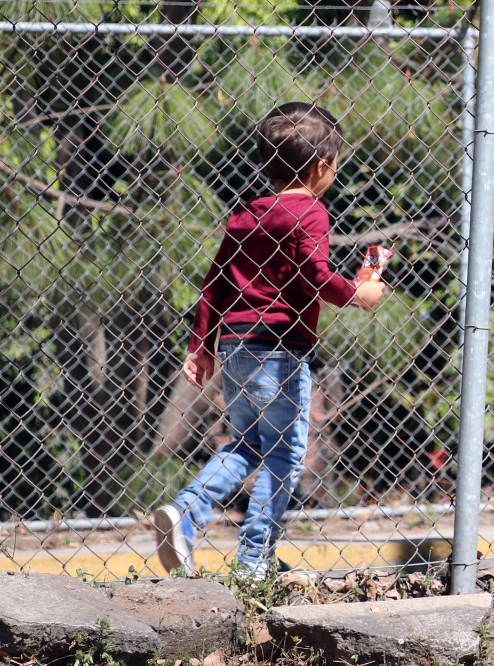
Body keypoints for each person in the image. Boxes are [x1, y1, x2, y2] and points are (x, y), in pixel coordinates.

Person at [152, 103, 386, 577]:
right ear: (322, 167)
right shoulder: (311, 214)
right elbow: (316, 276)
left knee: (246, 445)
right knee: (285, 452)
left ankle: (185, 512)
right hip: (280, 351)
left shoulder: (244, 217)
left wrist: (201, 346)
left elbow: (214, 284)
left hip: (236, 347)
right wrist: (359, 292)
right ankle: (254, 559)